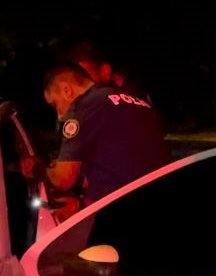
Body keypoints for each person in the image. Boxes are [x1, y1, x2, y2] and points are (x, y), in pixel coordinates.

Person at [26, 62, 170, 207]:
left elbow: (64, 179)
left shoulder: (82, 108)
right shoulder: (137, 101)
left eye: (55, 104)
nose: (59, 116)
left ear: (66, 90)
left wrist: (37, 169)